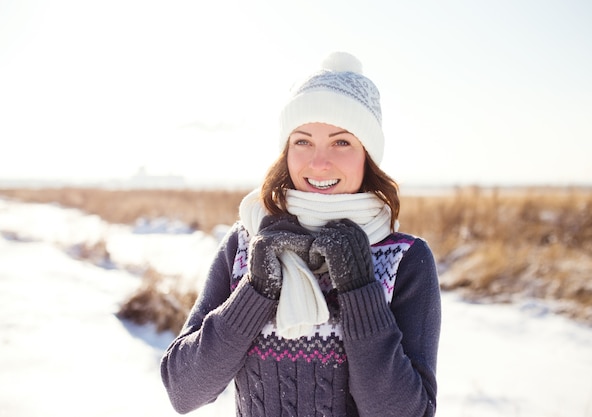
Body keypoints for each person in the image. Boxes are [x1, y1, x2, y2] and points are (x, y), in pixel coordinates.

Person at [160, 51, 441, 417]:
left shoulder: (405, 259)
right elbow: (184, 391)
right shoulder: (246, 243)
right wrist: (255, 291)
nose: (318, 162)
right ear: (286, 151)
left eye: (341, 142)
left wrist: (360, 292)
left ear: (367, 155)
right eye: (303, 141)